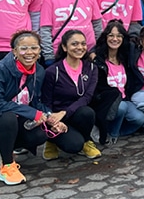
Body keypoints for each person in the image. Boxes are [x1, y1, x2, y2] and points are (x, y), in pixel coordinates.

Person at [0, 31, 61, 185]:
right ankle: (7, 166)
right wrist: (32, 113)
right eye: (24, 48)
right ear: (14, 51)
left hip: (19, 120)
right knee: (8, 117)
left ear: (39, 51)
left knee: (40, 135)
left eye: (34, 48)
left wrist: (49, 116)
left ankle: (7, 147)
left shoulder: (39, 71)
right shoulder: (0, 69)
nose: (29, 52)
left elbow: (36, 102)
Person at [41, 30, 102, 160]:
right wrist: (52, 121)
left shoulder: (91, 68)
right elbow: (45, 101)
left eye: (83, 44)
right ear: (64, 47)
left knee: (87, 112)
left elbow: (86, 97)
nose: (80, 47)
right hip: (55, 117)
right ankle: (51, 141)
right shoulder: (53, 71)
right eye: (74, 44)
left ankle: (86, 141)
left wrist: (65, 112)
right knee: (73, 145)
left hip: (74, 114)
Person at [92, 20, 144, 144]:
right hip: (107, 102)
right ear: (105, 37)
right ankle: (112, 135)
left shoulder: (126, 58)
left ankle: (109, 131)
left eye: (118, 36)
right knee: (120, 108)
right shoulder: (98, 60)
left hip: (124, 99)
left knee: (140, 119)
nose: (114, 39)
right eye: (111, 35)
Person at [39, 0, 103, 65]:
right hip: (61, 53)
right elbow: (45, 30)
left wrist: (98, 49)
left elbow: (97, 24)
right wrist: (48, 55)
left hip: (87, 51)